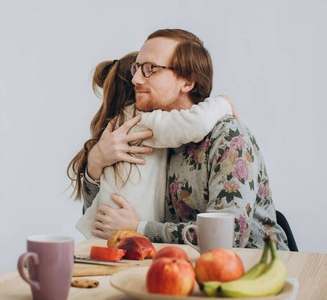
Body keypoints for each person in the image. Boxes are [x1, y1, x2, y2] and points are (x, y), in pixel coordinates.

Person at [80, 29, 289, 250]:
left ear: (188, 82)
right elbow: (100, 220)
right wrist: (95, 163)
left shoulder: (228, 136)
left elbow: (228, 237)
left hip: (256, 266)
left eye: (151, 69)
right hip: (180, 267)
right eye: (137, 68)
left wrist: (140, 229)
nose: (136, 79)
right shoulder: (152, 134)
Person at [71, 52, 233, 239]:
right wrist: (223, 102)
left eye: (150, 71)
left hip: (110, 234)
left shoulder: (123, 123)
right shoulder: (139, 121)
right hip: (123, 237)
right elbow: (196, 123)